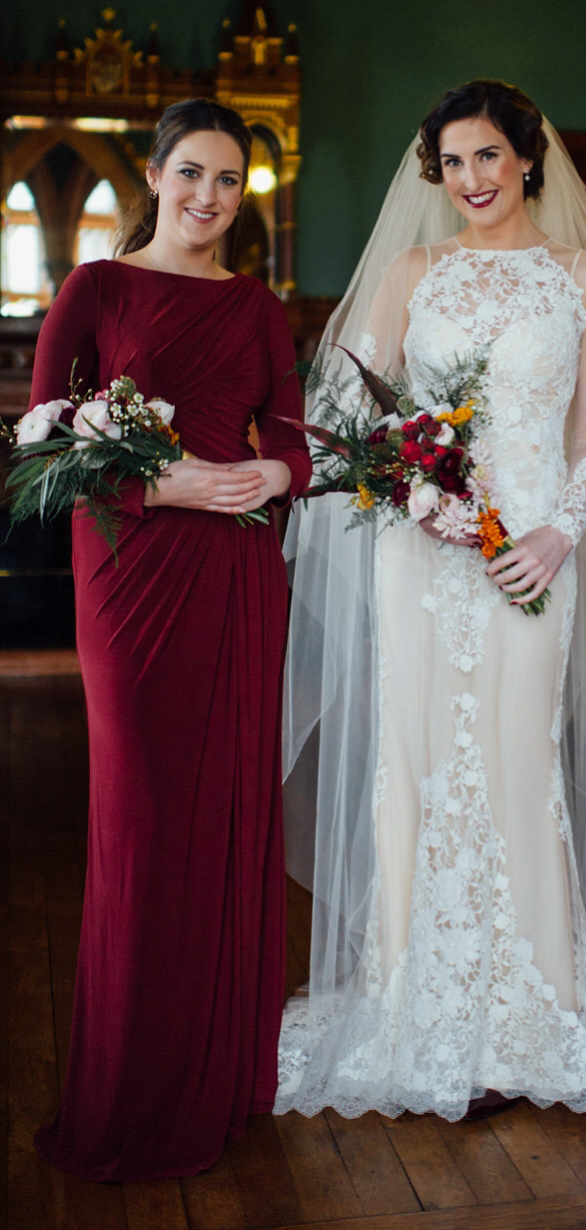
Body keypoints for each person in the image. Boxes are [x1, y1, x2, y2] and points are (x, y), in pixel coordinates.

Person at [277, 79, 586, 1120]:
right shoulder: (411, 270)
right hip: (422, 554)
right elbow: (353, 420)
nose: (473, 180)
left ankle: (531, 1012)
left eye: (489, 156)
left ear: (529, 158)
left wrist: (558, 530)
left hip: (532, 553)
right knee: (420, 758)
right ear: (433, 174)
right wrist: (415, 494)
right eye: (452, 162)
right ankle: (415, 1002)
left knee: (517, 756)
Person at [29, 98, 311, 1180]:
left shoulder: (256, 303)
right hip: (132, 572)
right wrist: (161, 480)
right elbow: (42, 443)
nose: (208, 196)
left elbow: (288, 432)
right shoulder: (95, 289)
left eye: (229, 180)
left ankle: (219, 1071)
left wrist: (275, 472)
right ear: (154, 174)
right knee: (144, 816)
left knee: (228, 811)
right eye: (191, 172)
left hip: (237, 570)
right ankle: (129, 1083)